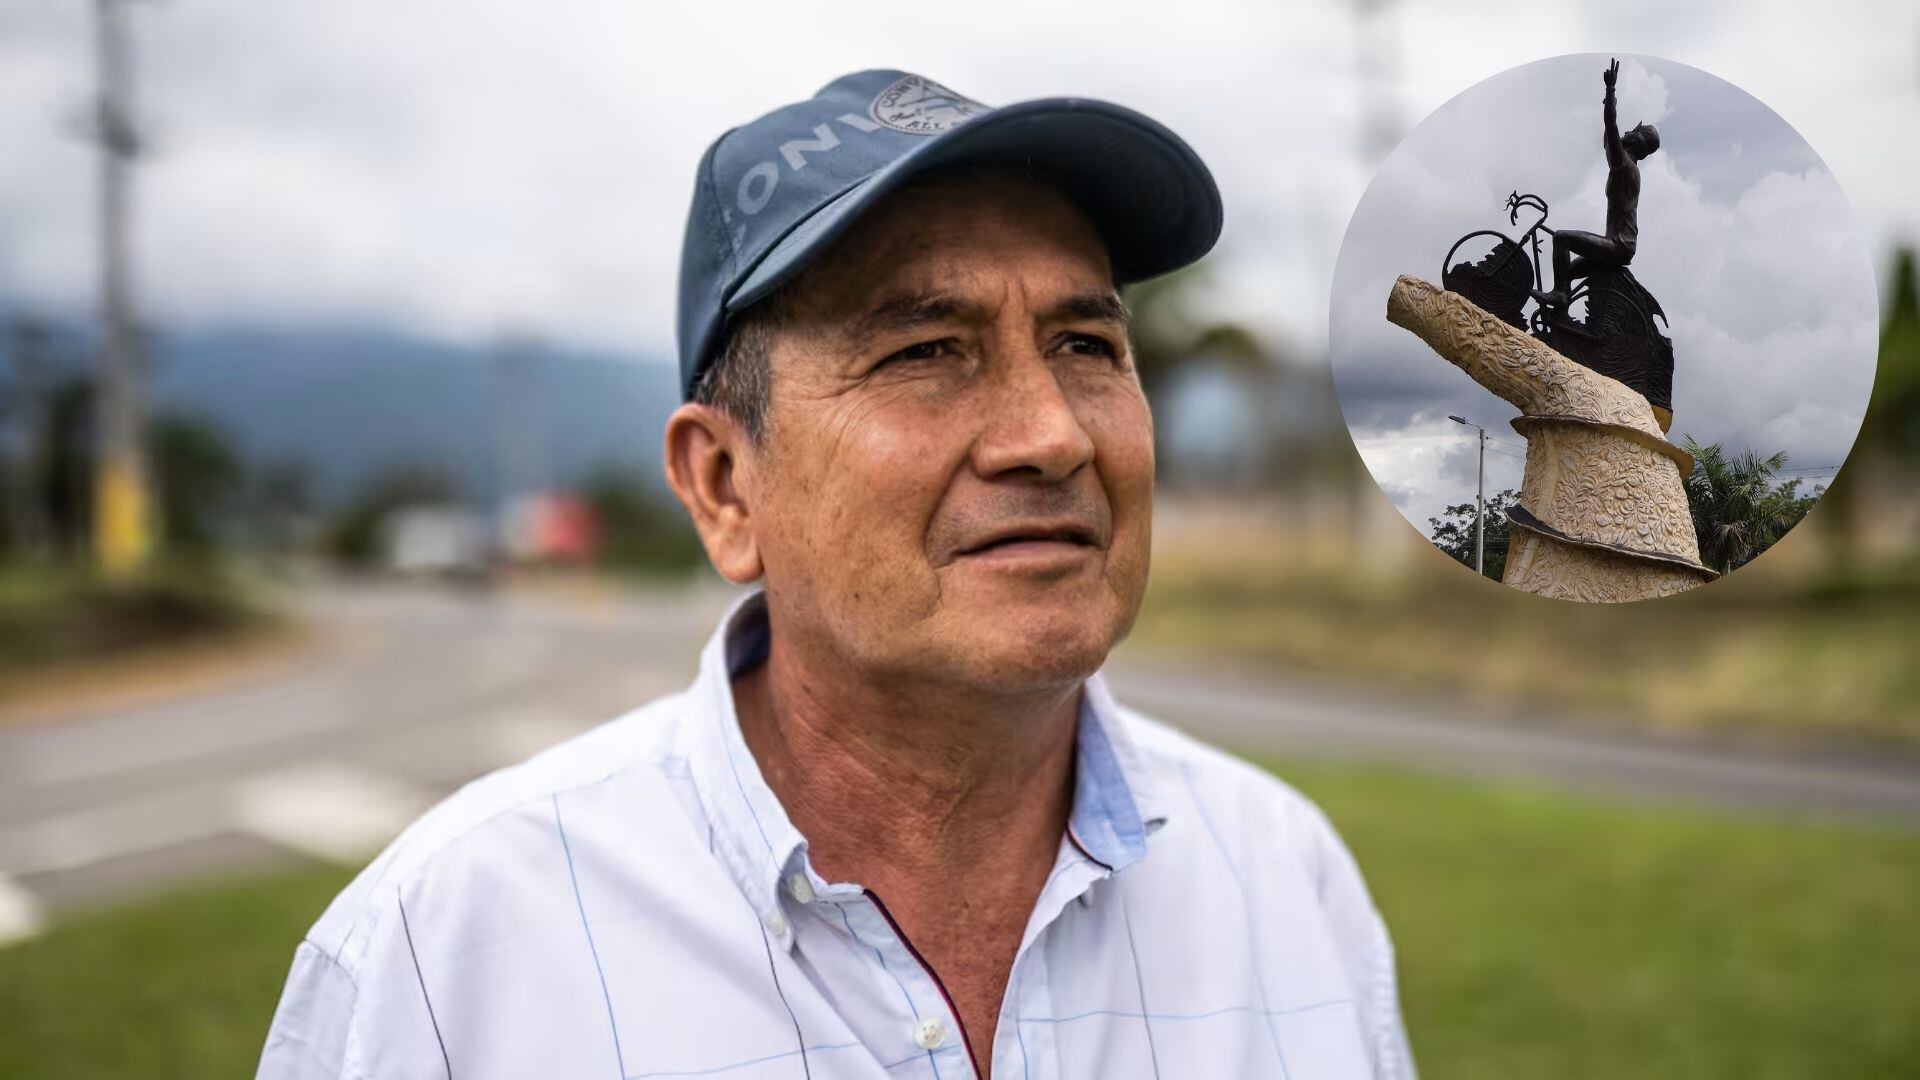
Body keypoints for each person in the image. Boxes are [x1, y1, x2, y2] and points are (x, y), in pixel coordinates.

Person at [257, 70, 1415, 1079]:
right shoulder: (446, 958)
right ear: (721, 485)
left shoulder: (1288, 882)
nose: (1053, 435)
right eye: (924, 352)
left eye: (1086, 346)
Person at [1534, 58, 1661, 311]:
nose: (1625, 132)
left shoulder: (1624, 166)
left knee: (1560, 239)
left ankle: (1560, 295)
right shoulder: (1625, 165)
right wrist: (1607, 103)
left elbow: (1611, 128)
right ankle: (1561, 319)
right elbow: (1608, 137)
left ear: (1636, 139)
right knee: (1568, 271)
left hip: (1618, 246)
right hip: (1621, 246)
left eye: (1631, 131)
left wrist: (1610, 90)